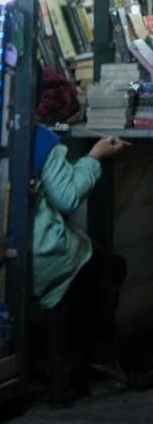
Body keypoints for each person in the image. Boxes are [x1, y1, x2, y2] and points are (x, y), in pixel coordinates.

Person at [31, 124, 134, 386]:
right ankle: (102, 353)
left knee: (95, 265)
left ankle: (90, 352)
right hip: (42, 253)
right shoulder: (39, 139)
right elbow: (67, 196)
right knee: (104, 262)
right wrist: (95, 156)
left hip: (8, 251)